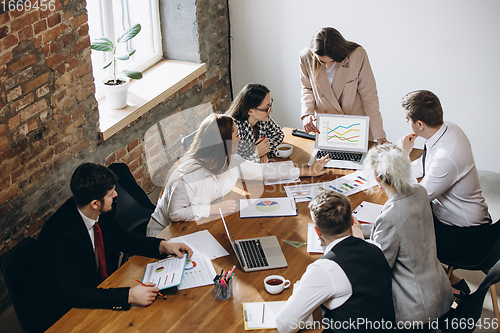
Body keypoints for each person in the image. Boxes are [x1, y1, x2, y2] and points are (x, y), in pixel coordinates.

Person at [36, 163, 193, 331]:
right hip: (70, 310)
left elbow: (121, 238)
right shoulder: (59, 237)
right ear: (95, 203)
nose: (116, 194)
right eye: (111, 194)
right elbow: (74, 292)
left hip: (104, 287)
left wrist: (163, 246)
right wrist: (129, 295)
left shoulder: (100, 211)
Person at [147, 114, 331, 236]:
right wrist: (216, 208)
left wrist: (308, 171)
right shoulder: (188, 176)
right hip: (166, 234)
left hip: (199, 226)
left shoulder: (230, 158)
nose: (240, 138)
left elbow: (264, 172)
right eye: (235, 134)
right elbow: (176, 214)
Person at [398, 90, 493, 295]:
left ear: (420, 124)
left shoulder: (446, 157)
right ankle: (446, 274)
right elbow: (424, 166)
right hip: (466, 221)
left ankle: (446, 283)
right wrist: (399, 167)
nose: (407, 123)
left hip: (467, 237)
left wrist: (403, 155)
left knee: (403, 235)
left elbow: (416, 198)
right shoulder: (449, 130)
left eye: (408, 119)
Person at [359, 143, 453, 327]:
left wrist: (351, 241)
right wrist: (360, 231)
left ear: (377, 178)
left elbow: (378, 267)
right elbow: (402, 228)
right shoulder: (419, 192)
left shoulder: (390, 216)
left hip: (415, 309)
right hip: (439, 291)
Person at [275, 191, 395, 333]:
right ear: (352, 221)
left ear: (317, 232)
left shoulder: (324, 270)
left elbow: (285, 326)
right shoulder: (376, 248)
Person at [300, 27, 388, 143]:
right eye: (322, 62)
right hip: (325, 127)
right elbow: (307, 88)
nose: (328, 66)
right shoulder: (306, 56)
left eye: (332, 61)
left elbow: (369, 97)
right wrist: (307, 114)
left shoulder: (357, 55)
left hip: (355, 126)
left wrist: (380, 136)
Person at [225, 83, 284, 163]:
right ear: (250, 111)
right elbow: (235, 162)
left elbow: (279, 135)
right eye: (266, 108)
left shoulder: (263, 119)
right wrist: (256, 152)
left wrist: (264, 151)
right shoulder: (234, 128)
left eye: (270, 105)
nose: (271, 110)